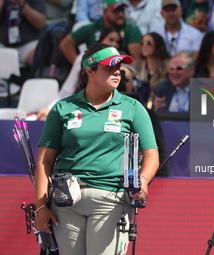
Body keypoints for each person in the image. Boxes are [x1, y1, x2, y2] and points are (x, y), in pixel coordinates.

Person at [34, 43, 159, 255]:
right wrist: (40, 206)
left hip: (112, 198)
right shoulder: (63, 108)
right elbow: (44, 161)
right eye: (109, 67)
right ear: (89, 71)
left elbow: (151, 154)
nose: (117, 71)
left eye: (118, 66)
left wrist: (143, 180)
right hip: (66, 200)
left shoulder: (133, 107)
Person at [37, 27, 122, 120]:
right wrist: (50, 108)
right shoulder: (83, 59)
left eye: (118, 42)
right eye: (111, 39)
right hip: (79, 108)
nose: (114, 44)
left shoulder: (123, 61)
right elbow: (67, 90)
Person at [59, 0, 142, 65]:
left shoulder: (131, 29)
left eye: (122, 10)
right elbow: (66, 44)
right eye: (116, 10)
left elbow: (136, 60)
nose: (120, 14)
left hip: (121, 69)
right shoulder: (93, 27)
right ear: (105, 12)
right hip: (93, 69)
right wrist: (82, 66)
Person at [0, 0, 46, 66]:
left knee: (38, 57)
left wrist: (22, 4)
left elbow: (41, 23)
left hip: (27, 44)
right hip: (3, 43)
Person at [132, 32, 170, 108]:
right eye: (142, 43)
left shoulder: (167, 65)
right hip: (140, 105)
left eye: (149, 43)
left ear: (157, 45)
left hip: (162, 104)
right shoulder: (136, 65)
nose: (144, 46)